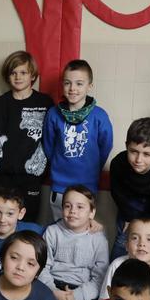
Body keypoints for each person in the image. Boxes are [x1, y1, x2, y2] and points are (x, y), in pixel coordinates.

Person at [0, 51, 54, 222]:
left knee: (27, 224)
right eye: (13, 73)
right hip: (3, 177)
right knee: (1, 223)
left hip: (31, 177)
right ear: (7, 76)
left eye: (23, 72)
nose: (18, 77)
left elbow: (52, 137)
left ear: (33, 75)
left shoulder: (45, 103)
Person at [43, 59, 113, 222]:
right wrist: (58, 166)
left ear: (90, 86)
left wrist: (91, 166)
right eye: (67, 83)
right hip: (60, 186)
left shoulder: (99, 115)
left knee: (84, 232)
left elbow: (105, 146)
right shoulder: (54, 114)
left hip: (87, 186)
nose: (73, 88)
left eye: (79, 83)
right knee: (60, 230)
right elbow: (48, 145)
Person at [38, 185, 109, 300]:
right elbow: (42, 267)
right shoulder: (52, 232)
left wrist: (75, 297)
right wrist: (54, 292)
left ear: (92, 213)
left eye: (80, 207)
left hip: (80, 291)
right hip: (51, 286)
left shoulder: (98, 240)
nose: (72, 211)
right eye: (67, 206)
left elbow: (99, 279)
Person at [108, 118, 150, 260]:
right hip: (127, 202)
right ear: (126, 146)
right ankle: (115, 278)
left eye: (146, 154)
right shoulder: (118, 163)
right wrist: (129, 219)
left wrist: (144, 223)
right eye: (133, 151)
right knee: (124, 240)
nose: (138, 160)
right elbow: (117, 194)